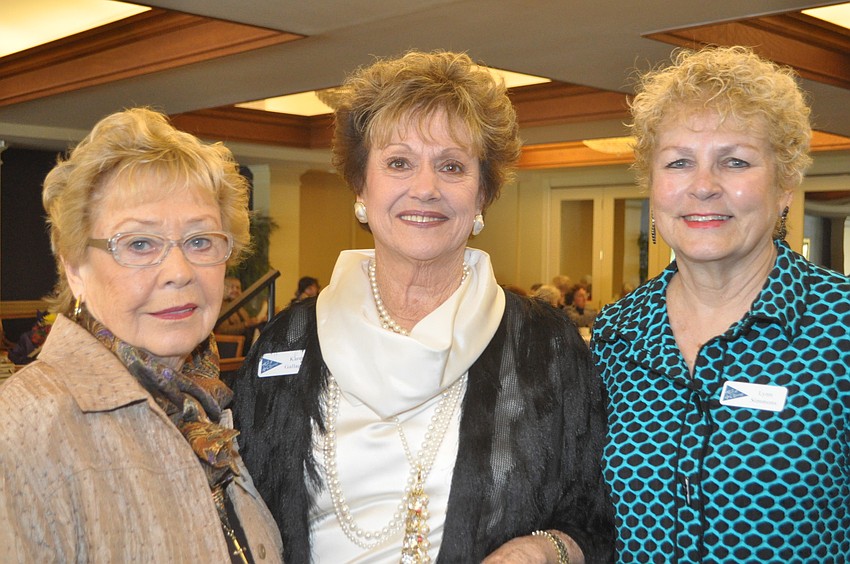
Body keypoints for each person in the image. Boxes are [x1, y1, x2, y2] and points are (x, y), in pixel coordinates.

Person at [233, 50, 614, 563]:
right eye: (398, 163)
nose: (425, 189)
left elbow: (594, 519)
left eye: (452, 166)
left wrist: (547, 551)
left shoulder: (545, 346)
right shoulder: (288, 342)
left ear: (481, 195)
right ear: (361, 186)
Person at [592, 46, 850, 562]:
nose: (704, 186)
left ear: (785, 186)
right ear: (653, 184)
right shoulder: (614, 336)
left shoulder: (840, 329)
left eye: (735, 161)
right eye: (679, 162)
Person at [0, 108, 283, 562]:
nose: (179, 272)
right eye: (138, 244)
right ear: (75, 268)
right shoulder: (25, 430)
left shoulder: (209, 405)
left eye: (200, 241)